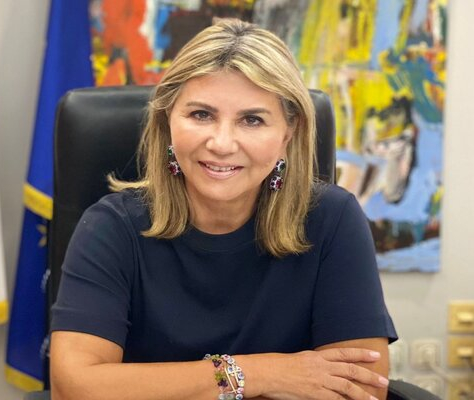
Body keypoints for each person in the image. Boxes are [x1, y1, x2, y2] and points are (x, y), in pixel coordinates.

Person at [50, 19, 397, 400]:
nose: (222, 143)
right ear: (168, 121)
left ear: (288, 133)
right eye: (201, 114)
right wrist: (257, 373)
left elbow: (360, 388)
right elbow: (75, 388)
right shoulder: (111, 227)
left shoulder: (332, 219)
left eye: (252, 120)